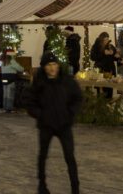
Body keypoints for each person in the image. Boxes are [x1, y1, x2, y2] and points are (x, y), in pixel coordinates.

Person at [26, 52, 82, 194]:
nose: (52, 68)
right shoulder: (39, 82)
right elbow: (29, 102)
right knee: (43, 155)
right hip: (46, 125)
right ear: (44, 67)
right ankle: (42, 185)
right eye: (48, 65)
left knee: (69, 156)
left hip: (64, 125)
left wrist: (71, 114)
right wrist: (41, 115)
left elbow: (78, 98)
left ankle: (75, 188)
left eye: (54, 64)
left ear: (58, 65)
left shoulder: (67, 81)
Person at [0, 48, 26, 113]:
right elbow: (20, 69)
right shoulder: (12, 61)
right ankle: (9, 108)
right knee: (10, 94)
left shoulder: (3, 62)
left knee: (5, 94)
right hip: (10, 80)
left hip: (4, 80)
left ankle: (5, 107)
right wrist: (23, 69)